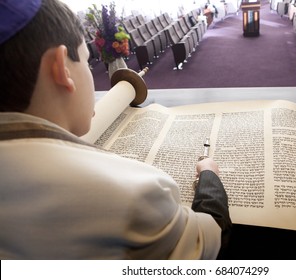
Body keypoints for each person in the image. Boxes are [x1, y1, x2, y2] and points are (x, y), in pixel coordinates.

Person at [0, 0, 232, 259]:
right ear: (60, 68)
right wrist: (209, 174)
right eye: (88, 63)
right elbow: (209, 237)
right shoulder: (132, 192)